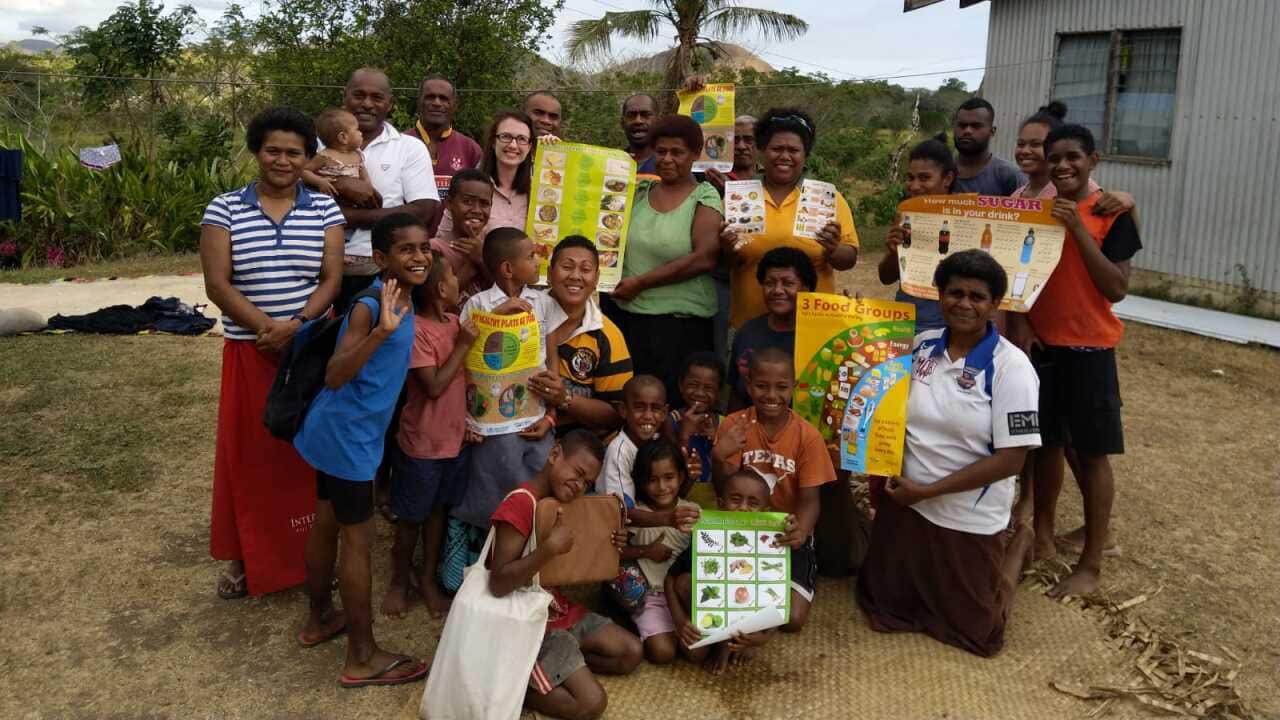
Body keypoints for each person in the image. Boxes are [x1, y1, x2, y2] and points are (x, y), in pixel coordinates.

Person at [857, 249, 1041, 658]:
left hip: (966, 512)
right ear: (939, 296)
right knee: (882, 606)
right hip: (906, 502)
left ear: (995, 305)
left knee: (978, 633)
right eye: (955, 292)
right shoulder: (920, 345)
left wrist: (927, 491)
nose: (964, 303)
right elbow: (869, 374)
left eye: (977, 296)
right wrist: (848, 315)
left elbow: (1012, 460)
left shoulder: (1013, 368)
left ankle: (1017, 546)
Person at [202, 107, 345, 600]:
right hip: (250, 352)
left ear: (308, 158)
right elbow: (217, 283)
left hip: (308, 354)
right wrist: (267, 328)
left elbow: (332, 279)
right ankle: (248, 559)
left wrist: (299, 326)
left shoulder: (325, 209)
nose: (282, 160)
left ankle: (313, 556)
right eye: (273, 150)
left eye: (294, 152)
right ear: (256, 151)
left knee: (306, 458)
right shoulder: (224, 208)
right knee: (250, 458)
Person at [293, 212, 431, 687]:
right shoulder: (371, 306)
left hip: (335, 434)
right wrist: (380, 334)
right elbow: (335, 373)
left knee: (327, 520)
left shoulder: (406, 300)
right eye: (407, 250)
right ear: (380, 258)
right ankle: (362, 655)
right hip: (348, 438)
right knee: (357, 540)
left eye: (424, 248)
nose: (420, 256)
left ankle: (318, 619)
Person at [1021, 124, 1141, 598]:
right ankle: (1044, 539)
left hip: (1090, 349)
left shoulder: (1112, 213)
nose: (1063, 166)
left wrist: (1077, 227)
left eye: (1073, 157)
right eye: (1055, 158)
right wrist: (1027, 322)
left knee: (1091, 455)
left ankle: (1091, 563)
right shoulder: (1039, 212)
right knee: (1045, 446)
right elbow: (1024, 276)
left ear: (1093, 160)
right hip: (1044, 348)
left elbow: (1115, 287)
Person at [487, 430, 643, 720]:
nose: (580, 485)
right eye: (578, 473)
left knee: (630, 652)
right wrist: (548, 549)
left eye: (587, 482)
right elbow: (498, 583)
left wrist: (610, 545)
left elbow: (574, 559)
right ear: (554, 454)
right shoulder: (520, 503)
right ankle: (517, 686)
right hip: (527, 622)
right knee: (591, 704)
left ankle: (559, 668)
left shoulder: (567, 502)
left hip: (557, 609)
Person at [441, 227, 564, 592]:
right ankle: (478, 559)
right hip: (491, 426)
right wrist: (498, 315)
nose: (537, 260)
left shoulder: (544, 303)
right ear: (508, 268)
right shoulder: (477, 305)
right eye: (530, 256)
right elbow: (466, 364)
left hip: (537, 418)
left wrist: (551, 414)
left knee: (535, 483)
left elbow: (552, 360)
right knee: (492, 489)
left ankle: (531, 564)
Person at [382, 252, 479, 619]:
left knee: (438, 511)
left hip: (453, 442)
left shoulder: (456, 322)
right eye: (454, 277)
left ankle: (426, 577)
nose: (460, 282)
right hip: (422, 444)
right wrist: (463, 346)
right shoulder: (417, 330)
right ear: (441, 289)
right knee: (411, 517)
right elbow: (435, 386)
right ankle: (398, 579)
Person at [712, 347, 833, 632]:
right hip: (739, 529)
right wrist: (719, 457)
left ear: (794, 387)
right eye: (762, 386)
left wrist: (800, 532)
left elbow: (810, 500)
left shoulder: (808, 436)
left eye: (781, 387)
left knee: (792, 620)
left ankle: (776, 588)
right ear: (749, 385)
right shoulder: (733, 425)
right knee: (711, 592)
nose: (771, 395)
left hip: (784, 534)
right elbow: (723, 490)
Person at [605, 114, 723, 399]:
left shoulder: (705, 196)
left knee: (671, 412)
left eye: (677, 152)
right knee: (631, 407)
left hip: (680, 329)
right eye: (661, 151)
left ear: (695, 155)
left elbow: (704, 257)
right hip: (630, 322)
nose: (667, 159)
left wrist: (641, 283)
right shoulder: (638, 193)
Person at [720, 108, 859, 329]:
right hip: (750, 329)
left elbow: (849, 259)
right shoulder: (739, 197)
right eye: (777, 149)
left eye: (794, 150)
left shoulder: (827, 198)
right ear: (762, 151)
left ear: (805, 156)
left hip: (814, 328)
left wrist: (833, 249)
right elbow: (729, 263)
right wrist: (727, 248)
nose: (784, 156)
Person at [319, 68, 439, 314]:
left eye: (377, 97)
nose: (367, 104)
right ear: (345, 96)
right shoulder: (316, 144)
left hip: (380, 271)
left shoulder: (409, 148)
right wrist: (343, 186)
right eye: (359, 95)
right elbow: (294, 198)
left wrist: (344, 217)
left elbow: (423, 209)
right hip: (316, 266)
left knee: (374, 342)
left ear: (389, 104)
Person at [666, 468, 778, 672]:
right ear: (720, 504)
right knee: (694, 653)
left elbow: (778, 595)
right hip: (714, 608)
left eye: (752, 503)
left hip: (749, 619)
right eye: (735, 500)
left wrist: (762, 638)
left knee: (770, 587)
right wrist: (680, 621)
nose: (743, 508)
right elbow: (671, 579)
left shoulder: (771, 542)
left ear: (765, 511)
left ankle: (744, 642)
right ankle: (718, 640)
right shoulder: (708, 536)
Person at [529, 236, 634, 436]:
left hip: (577, 441)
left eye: (585, 270)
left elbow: (616, 414)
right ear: (550, 274)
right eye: (567, 267)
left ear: (596, 279)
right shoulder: (524, 315)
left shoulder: (608, 336)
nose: (576, 276)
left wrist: (565, 398)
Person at [619, 438, 701, 664]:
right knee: (662, 653)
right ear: (641, 482)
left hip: (682, 595)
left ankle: (674, 628)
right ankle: (637, 621)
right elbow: (615, 553)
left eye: (669, 478)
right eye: (652, 480)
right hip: (650, 596)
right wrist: (646, 551)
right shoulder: (637, 515)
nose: (662, 487)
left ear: (681, 477)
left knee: (696, 652)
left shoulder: (694, 512)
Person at [876, 135, 957, 333]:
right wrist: (893, 253)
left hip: (949, 325)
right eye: (910, 178)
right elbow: (886, 278)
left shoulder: (968, 218)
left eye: (924, 178)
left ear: (947, 179)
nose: (914, 186)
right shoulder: (904, 215)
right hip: (907, 322)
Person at [727, 246, 816, 410]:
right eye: (769, 283)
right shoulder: (747, 332)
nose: (777, 290)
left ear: (806, 288)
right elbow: (737, 394)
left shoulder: (819, 335)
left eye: (788, 283)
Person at [435, 110, 535, 250]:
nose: (513, 145)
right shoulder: (470, 188)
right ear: (493, 142)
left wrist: (555, 149)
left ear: (530, 146)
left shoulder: (539, 192)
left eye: (522, 139)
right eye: (506, 137)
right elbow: (442, 244)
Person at [404, 75, 483, 198]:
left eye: (444, 98)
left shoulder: (470, 149)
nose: (436, 103)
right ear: (419, 102)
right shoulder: (399, 144)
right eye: (430, 97)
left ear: (454, 105)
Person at [662, 352, 724, 508]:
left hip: (715, 500)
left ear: (718, 393)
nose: (700, 393)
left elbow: (726, 469)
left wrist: (715, 439)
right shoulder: (671, 420)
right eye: (693, 385)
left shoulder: (724, 423)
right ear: (681, 386)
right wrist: (684, 434)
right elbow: (670, 463)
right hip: (681, 498)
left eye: (708, 388)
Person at [596, 375, 668, 507]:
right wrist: (667, 518)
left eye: (655, 408)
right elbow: (622, 510)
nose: (647, 416)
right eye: (639, 407)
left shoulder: (660, 441)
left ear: (664, 413)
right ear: (623, 410)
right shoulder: (618, 451)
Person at [430, 168, 493, 301]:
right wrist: (472, 265)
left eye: (484, 203)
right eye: (467, 201)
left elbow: (503, 293)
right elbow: (438, 301)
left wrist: (482, 259)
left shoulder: (492, 249)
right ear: (449, 203)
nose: (476, 210)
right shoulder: (434, 249)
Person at [951, 97, 1026, 195]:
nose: (967, 131)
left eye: (976, 126)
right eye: (962, 125)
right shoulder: (940, 170)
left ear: (992, 131)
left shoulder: (1010, 175)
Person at [302, 107, 372, 204]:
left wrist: (369, 190)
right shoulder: (325, 156)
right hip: (329, 201)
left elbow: (365, 177)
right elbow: (304, 171)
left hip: (354, 201)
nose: (361, 133)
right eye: (357, 129)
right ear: (343, 137)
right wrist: (319, 181)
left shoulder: (357, 155)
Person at [621, 93, 659, 177]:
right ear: (622, 123)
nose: (638, 121)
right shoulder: (611, 163)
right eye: (631, 115)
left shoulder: (670, 164)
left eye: (646, 115)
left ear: (658, 121)